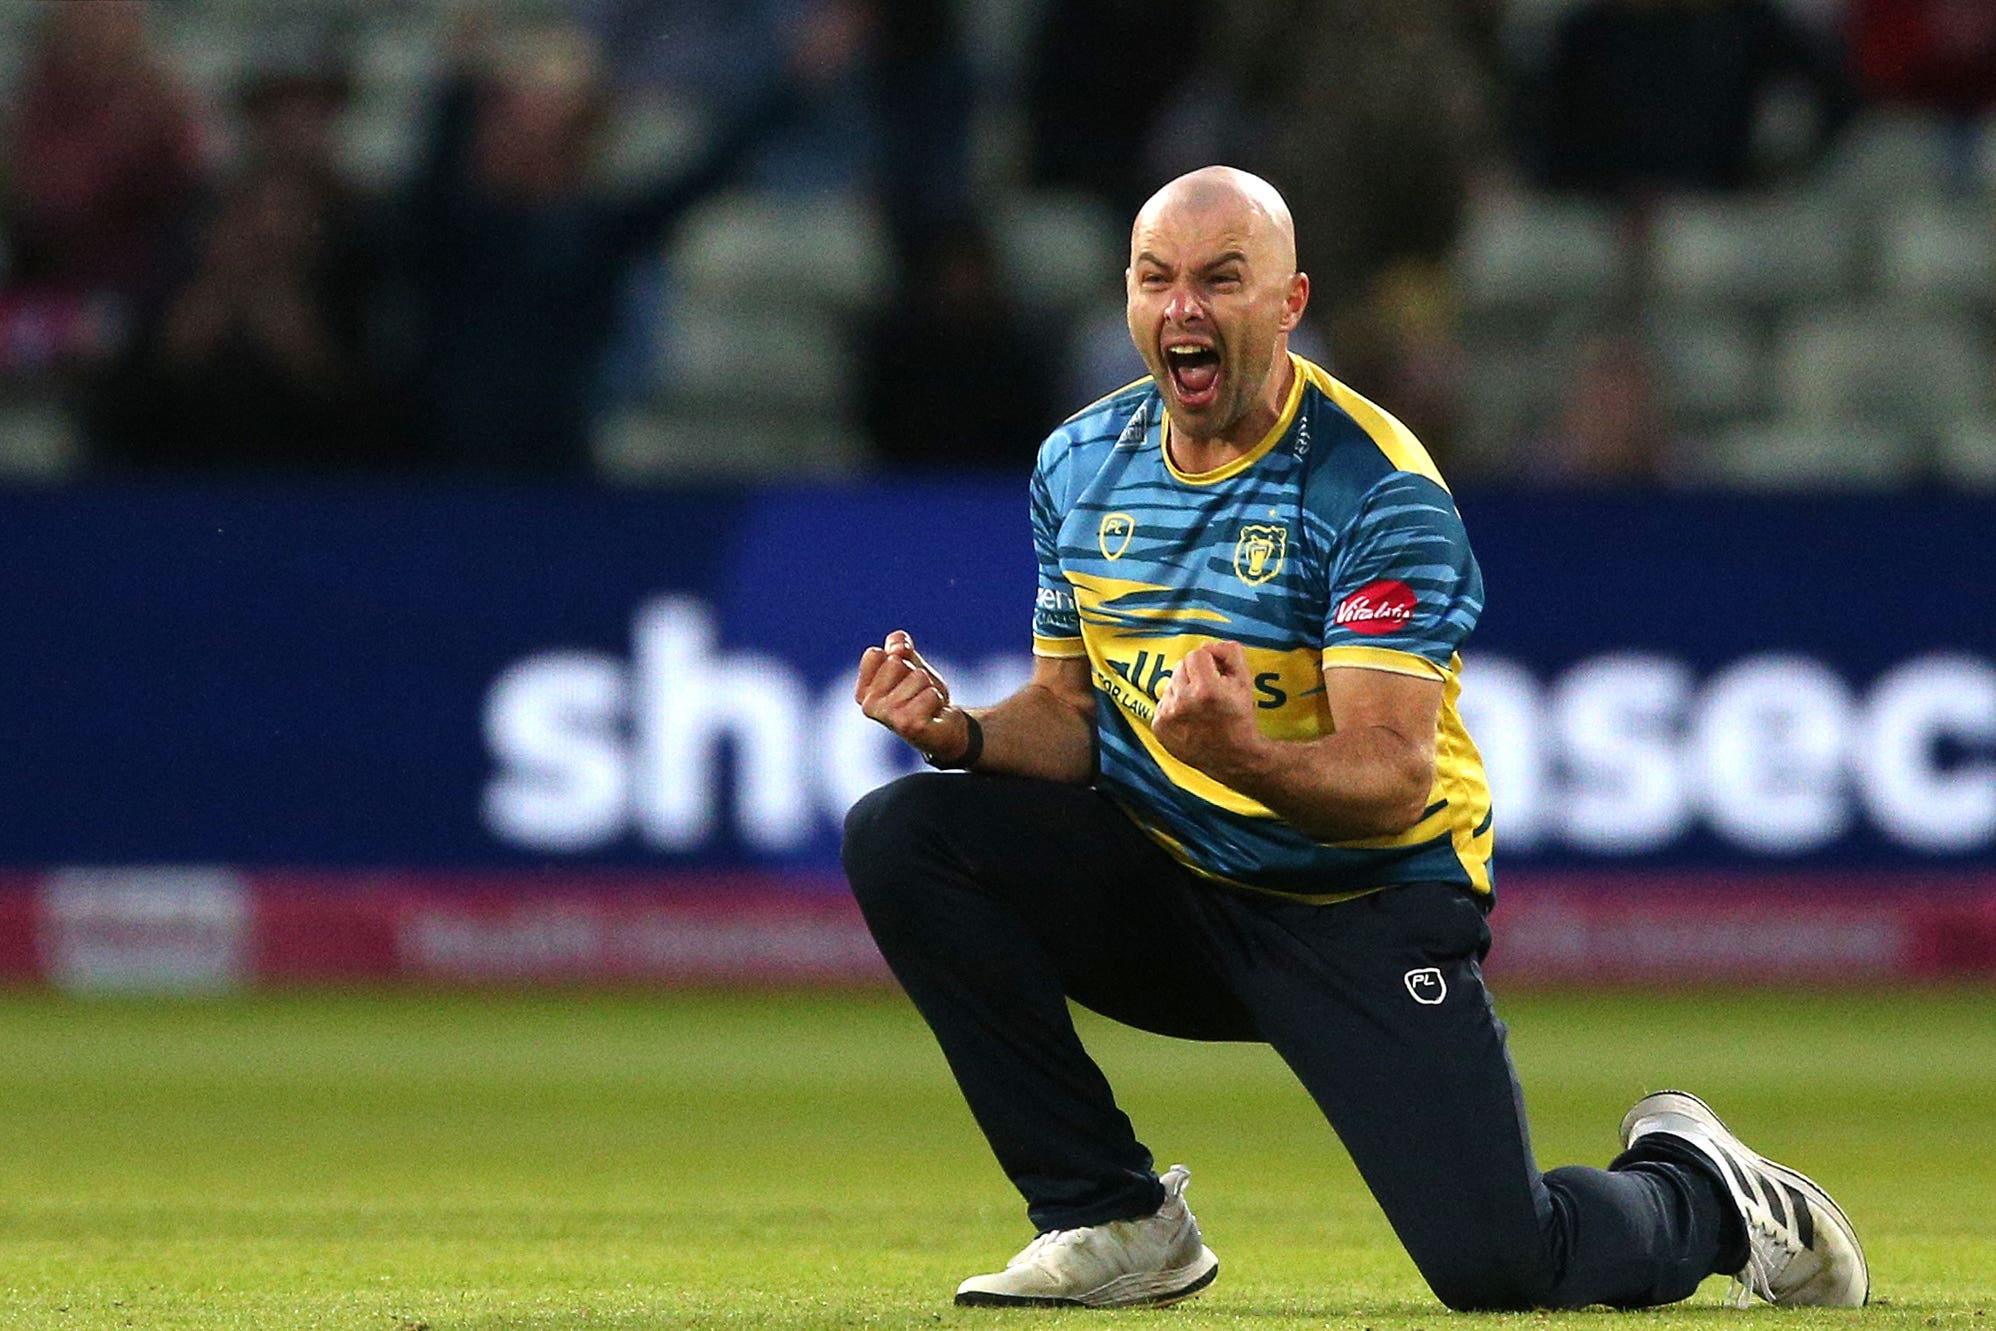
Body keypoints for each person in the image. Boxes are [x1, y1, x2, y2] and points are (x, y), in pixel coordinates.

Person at [840, 166, 1869, 1312]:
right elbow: (1074, 716)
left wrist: (1241, 754)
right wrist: (965, 730)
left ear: (1288, 304)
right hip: (1175, 882)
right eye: (1155, 279)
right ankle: (1108, 1214)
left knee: (1500, 1267)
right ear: (1125, 299)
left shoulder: (1374, 486)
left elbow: (1388, 781)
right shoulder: (1077, 464)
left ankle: (1707, 1192)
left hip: (1360, 902)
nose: (1182, 309)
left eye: (1221, 281)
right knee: (906, 831)